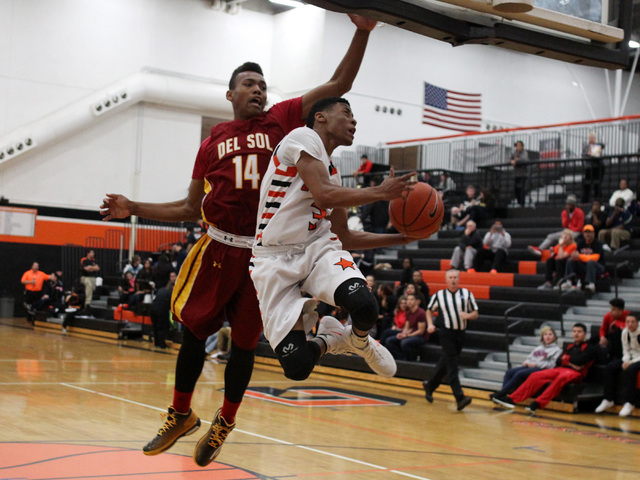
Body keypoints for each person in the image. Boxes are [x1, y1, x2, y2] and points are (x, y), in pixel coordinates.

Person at [100, 14, 377, 467]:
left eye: (263, 84)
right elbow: (190, 208)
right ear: (231, 94)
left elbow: (338, 81)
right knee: (193, 331)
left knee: (245, 346)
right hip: (216, 246)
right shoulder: (212, 140)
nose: (259, 90)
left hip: (265, 255)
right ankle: (181, 413)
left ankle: (224, 422)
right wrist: (135, 207)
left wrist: (362, 30)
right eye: (249, 83)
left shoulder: (283, 120)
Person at [251, 96, 419, 386]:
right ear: (321, 117)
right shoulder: (302, 137)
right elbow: (324, 194)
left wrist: (403, 237)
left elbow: (345, 236)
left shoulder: (333, 174)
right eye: (347, 113)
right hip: (273, 259)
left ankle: (360, 342)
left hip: (317, 249)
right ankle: (331, 339)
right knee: (297, 367)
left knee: (365, 305)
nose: (354, 121)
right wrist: (379, 192)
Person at [493, 323, 596, 412]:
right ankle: (511, 399)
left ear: (585, 334)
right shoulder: (570, 346)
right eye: (574, 331)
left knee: (561, 378)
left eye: (579, 332)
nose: (576, 334)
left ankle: (538, 403)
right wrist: (572, 361)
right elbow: (559, 360)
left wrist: (568, 360)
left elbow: (580, 361)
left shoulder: (589, 347)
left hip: (576, 373)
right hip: (561, 369)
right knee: (536, 375)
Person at [422, 269, 479, 411]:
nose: (453, 280)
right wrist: (430, 324)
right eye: (450, 278)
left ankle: (430, 385)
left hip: (460, 333)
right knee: (453, 364)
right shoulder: (439, 295)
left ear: (458, 279)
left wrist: (468, 316)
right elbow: (429, 310)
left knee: (446, 362)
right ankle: (460, 398)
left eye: (455, 277)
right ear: (446, 280)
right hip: (446, 333)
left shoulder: (466, 294)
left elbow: (475, 313)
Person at [490, 326, 562, 399]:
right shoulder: (538, 348)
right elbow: (530, 358)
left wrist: (536, 364)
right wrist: (527, 362)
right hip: (530, 367)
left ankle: (501, 393)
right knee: (509, 372)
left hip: (541, 369)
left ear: (554, 337)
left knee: (520, 374)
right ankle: (503, 394)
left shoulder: (557, 350)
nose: (548, 336)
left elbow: (551, 365)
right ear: (542, 337)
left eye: (550, 334)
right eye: (545, 334)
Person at [595, 314, 640, 417]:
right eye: (628, 321)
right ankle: (608, 399)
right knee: (610, 367)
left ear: (638, 322)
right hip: (631, 357)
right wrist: (626, 360)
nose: (630, 324)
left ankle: (630, 402)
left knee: (631, 370)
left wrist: (630, 363)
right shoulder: (625, 332)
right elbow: (626, 350)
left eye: (633, 322)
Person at [560, 224, 605, 292]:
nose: (588, 234)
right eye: (586, 232)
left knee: (591, 262)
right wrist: (574, 256)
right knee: (570, 261)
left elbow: (595, 258)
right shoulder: (581, 243)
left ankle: (590, 284)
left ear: (593, 233)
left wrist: (580, 256)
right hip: (584, 266)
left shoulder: (597, 243)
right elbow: (575, 254)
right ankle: (568, 281)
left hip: (598, 266)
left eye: (589, 232)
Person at [384, 294, 429, 361]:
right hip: (411, 334)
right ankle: (401, 359)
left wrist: (407, 335)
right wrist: (403, 334)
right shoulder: (409, 312)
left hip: (421, 337)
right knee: (389, 340)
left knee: (404, 342)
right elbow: (407, 327)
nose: (409, 301)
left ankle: (411, 360)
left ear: (416, 301)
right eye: (408, 299)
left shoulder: (421, 313)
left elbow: (420, 331)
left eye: (411, 299)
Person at [150, 272, 177, 349]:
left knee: (155, 327)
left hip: (153, 309)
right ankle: (162, 345)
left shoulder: (161, 290)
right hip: (161, 310)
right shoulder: (172, 293)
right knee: (162, 327)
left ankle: (157, 343)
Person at [581, 132, 605, 203]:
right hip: (588, 168)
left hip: (597, 168)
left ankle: (597, 200)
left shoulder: (598, 145)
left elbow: (595, 155)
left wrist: (590, 154)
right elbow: (584, 155)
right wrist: (590, 154)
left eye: (592, 137)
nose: (591, 139)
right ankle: (585, 201)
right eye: (590, 138)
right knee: (587, 185)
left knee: (597, 185)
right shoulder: (586, 147)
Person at [510, 140, 529, 207]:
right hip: (516, 174)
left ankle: (522, 204)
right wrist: (512, 161)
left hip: (523, 174)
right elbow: (510, 159)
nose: (517, 147)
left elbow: (524, 159)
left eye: (519, 145)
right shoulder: (514, 153)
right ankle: (518, 202)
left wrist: (516, 161)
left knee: (522, 190)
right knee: (516, 190)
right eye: (516, 146)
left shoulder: (524, 153)